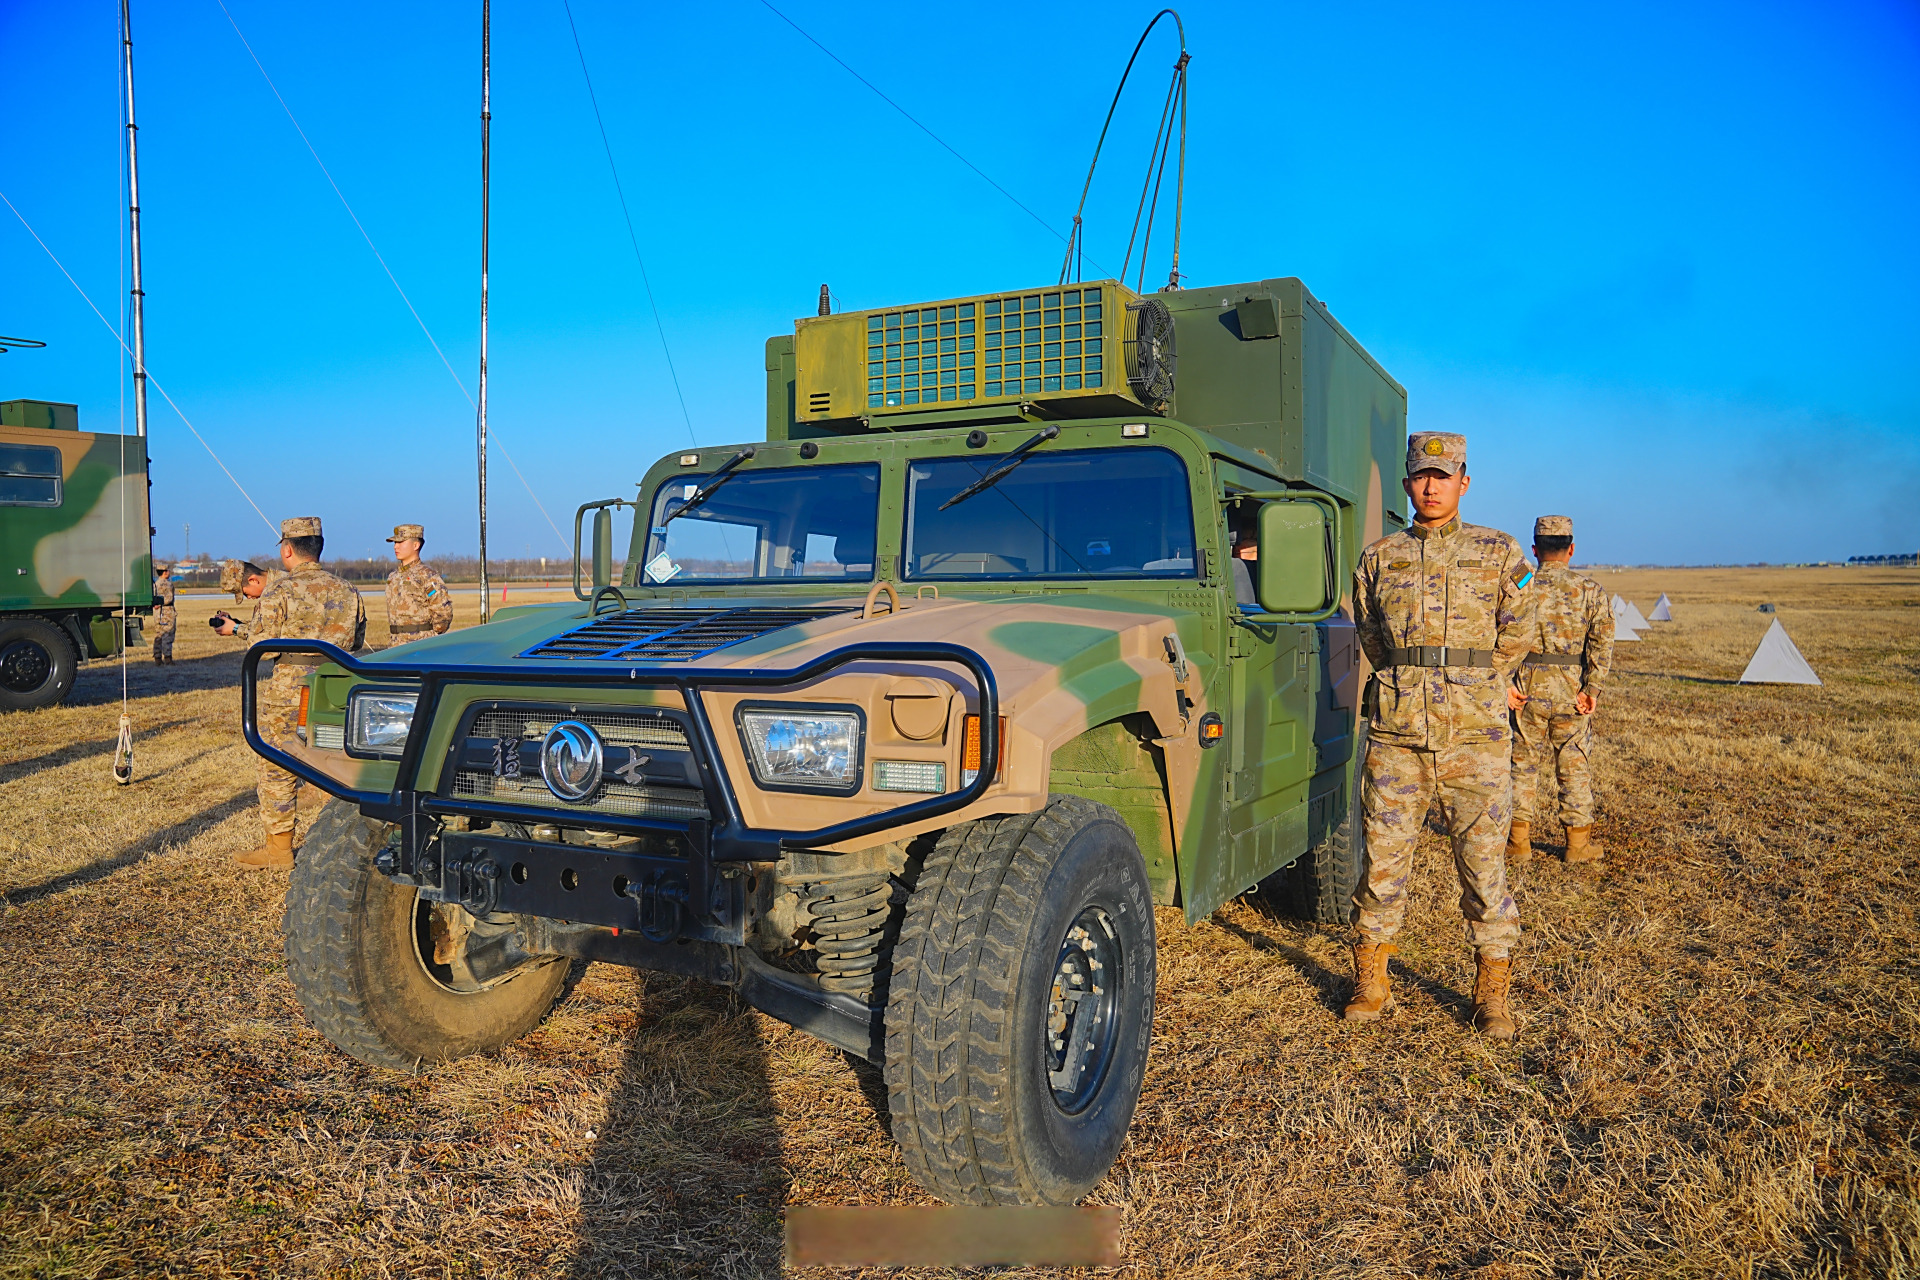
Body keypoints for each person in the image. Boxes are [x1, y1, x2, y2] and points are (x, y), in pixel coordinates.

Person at [1346, 431, 1537, 1040]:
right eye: (1422, 476)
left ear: (1465, 480)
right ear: (1408, 483)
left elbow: (1519, 631)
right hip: (1398, 736)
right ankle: (1371, 979)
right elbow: (1371, 637)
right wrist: (1411, 679)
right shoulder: (1379, 558)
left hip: (1476, 740)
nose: (1431, 486)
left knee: (1484, 868)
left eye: (1444, 475)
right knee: (1382, 861)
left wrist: (1474, 683)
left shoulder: (1501, 552)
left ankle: (1492, 989)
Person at [216, 518, 365, 870]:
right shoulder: (348, 590)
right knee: (336, 763)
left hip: (290, 689)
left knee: (277, 765)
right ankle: (345, 844)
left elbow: (260, 647)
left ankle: (280, 851)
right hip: (338, 684)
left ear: (286, 550)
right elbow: (356, 641)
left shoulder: (278, 592)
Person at [1506, 515, 1613, 866]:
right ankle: (1576, 845)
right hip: (1572, 691)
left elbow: (1497, 629)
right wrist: (1592, 688)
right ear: (1571, 549)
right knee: (1574, 765)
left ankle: (1518, 844)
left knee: (1521, 764)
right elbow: (1602, 642)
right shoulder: (1590, 589)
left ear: (1535, 549)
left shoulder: (1520, 582)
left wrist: (1505, 681)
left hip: (1525, 687)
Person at [383, 523, 453, 646]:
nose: (395, 547)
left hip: (419, 644)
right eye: (395, 543)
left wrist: (429, 637)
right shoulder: (393, 576)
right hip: (395, 644)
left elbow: (443, 612)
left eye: (401, 542)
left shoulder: (427, 576)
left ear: (416, 545)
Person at [150, 561, 177, 664]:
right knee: (168, 634)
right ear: (165, 572)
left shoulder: (155, 584)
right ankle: (168, 658)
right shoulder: (168, 584)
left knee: (159, 635)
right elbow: (169, 599)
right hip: (167, 612)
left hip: (157, 613)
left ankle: (157, 657)